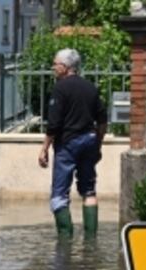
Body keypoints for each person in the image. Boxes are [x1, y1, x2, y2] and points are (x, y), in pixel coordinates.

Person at [37, 48, 107, 237]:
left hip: (68, 144)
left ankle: (65, 241)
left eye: (56, 65)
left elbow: (54, 124)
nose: (53, 68)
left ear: (66, 67)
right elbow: (102, 120)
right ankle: (91, 241)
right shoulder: (90, 87)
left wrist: (44, 149)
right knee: (89, 190)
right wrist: (97, 144)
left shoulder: (60, 88)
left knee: (59, 194)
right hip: (89, 141)